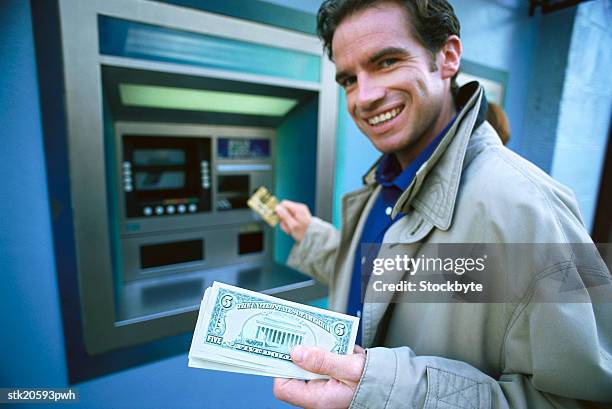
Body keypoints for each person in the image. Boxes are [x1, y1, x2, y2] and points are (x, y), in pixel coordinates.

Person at [272, 1, 612, 408]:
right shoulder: (383, 185)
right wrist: (312, 239)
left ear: (447, 57)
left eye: (386, 62)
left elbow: (583, 401)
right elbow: (398, 282)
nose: (364, 97)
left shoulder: (527, 208)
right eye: (348, 79)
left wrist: (387, 390)